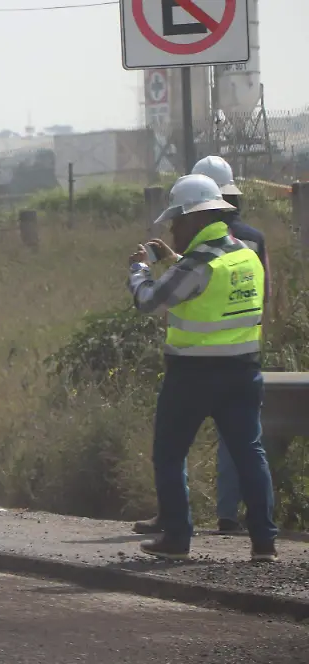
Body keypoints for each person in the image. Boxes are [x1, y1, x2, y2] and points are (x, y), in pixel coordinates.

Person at [128, 173, 278, 562]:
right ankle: (265, 543)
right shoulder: (245, 255)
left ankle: (177, 539)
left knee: (169, 453)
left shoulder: (199, 263)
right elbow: (209, 287)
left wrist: (139, 271)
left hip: (193, 375)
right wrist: (174, 260)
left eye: (177, 221)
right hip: (244, 371)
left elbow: (150, 300)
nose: (174, 229)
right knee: (250, 453)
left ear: (195, 219)